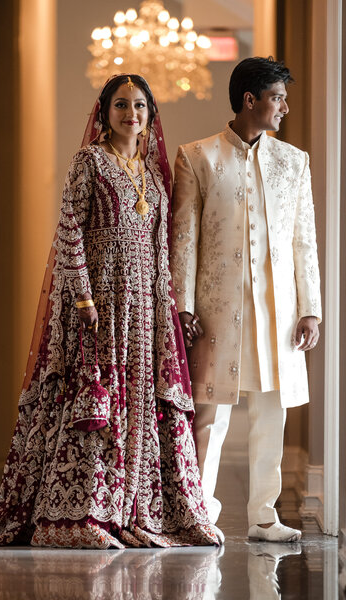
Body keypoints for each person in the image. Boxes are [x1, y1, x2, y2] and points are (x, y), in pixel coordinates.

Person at [0, 74, 222, 549]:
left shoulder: (155, 175)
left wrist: (168, 308)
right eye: (120, 105)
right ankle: (83, 515)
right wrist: (83, 298)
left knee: (144, 406)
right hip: (97, 307)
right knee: (97, 403)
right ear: (103, 111)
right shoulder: (89, 163)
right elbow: (69, 230)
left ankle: (138, 511)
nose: (130, 114)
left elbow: (162, 249)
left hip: (145, 311)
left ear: (150, 115)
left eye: (139, 106)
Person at [170, 57, 321, 543]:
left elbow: (304, 241)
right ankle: (200, 513)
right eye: (277, 98)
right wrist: (184, 304)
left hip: (277, 312)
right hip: (217, 311)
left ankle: (263, 516)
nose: (285, 107)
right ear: (250, 100)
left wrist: (310, 307)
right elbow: (184, 238)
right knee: (210, 415)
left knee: (271, 411)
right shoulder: (197, 157)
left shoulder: (293, 162)